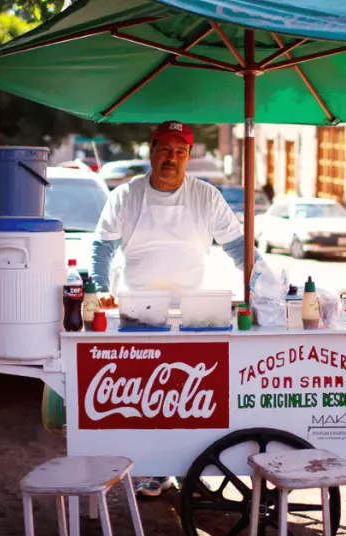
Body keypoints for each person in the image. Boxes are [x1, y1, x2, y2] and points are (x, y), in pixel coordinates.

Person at [90, 120, 260, 498]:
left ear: (188, 157)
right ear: (151, 150)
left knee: (191, 397)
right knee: (145, 401)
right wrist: (100, 291)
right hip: (137, 314)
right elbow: (102, 249)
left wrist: (260, 281)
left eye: (180, 152)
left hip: (192, 314)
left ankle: (189, 468)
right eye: (165, 150)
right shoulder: (126, 195)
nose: (172, 159)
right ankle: (153, 469)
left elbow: (238, 248)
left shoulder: (206, 196)